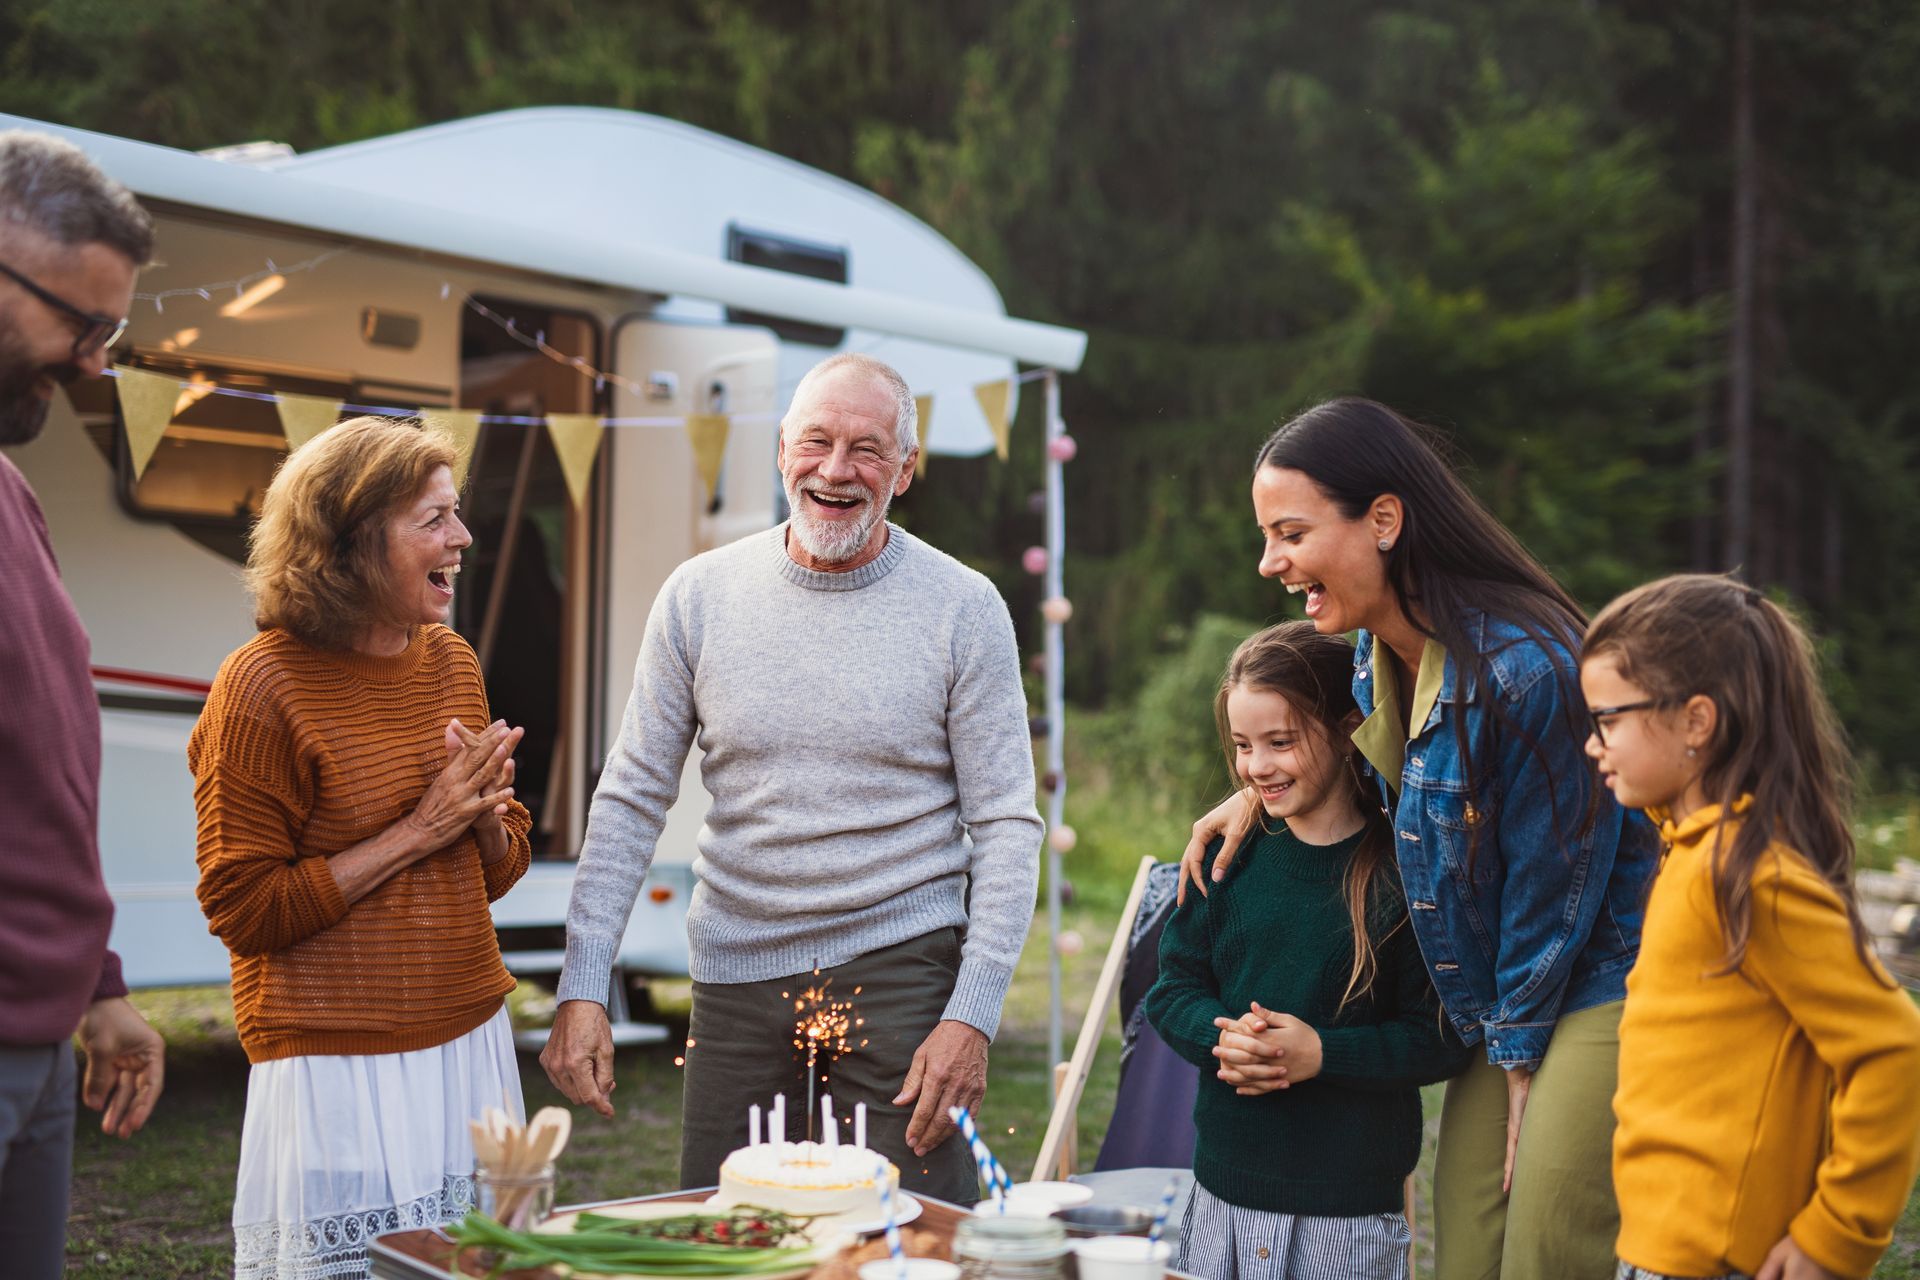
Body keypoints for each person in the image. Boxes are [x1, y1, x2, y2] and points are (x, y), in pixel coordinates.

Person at [1178, 398, 1659, 1279]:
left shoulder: (1529, 667)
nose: (1269, 562)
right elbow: (1348, 762)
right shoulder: (1369, 654)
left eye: (1290, 533)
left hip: (1592, 976)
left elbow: (1558, 892)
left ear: (1385, 521)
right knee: (1468, 1250)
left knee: (1545, 1242)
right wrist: (1247, 798)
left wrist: (1520, 1067)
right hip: (1494, 994)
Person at [543, 353, 1041, 1203]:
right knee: (734, 1224)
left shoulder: (964, 607)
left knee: (909, 1226)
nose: (837, 470)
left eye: (868, 449)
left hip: (900, 963)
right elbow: (630, 796)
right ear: (781, 450)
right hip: (735, 970)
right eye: (816, 441)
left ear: (907, 470)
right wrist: (584, 982)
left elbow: (1006, 823)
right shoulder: (698, 596)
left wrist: (971, 1014)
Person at [188, 417, 532, 1280]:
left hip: (468, 1037)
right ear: (349, 543)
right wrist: (422, 827)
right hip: (336, 1061)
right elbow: (243, 909)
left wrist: (484, 812)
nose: (461, 537)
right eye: (433, 520)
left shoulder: (451, 659)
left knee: (485, 1266)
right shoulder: (260, 685)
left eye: (456, 514)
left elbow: (497, 870)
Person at [1582, 575, 1920, 1280]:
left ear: (1696, 722)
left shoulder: (1748, 875)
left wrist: (1836, 1235)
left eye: (1607, 720)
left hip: (1717, 1262)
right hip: (1658, 1249)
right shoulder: (1694, 851)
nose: (1592, 745)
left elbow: (1893, 1050)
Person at [1148, 622, 1468, 1280]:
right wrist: (1224, 1038)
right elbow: (1171, 990)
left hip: (1346, 1221)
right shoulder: (1226, 858)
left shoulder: (1405, 874)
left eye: (1280, 742)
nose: (1257, 765)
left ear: (1350, 726)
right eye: (1242, 746)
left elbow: (1437, 1036)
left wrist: (1320, 1054)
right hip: (1218, 1201)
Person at [0, 129, 166, 1280]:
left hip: (42, 1037)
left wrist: (98, 984)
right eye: (81, 324)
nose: (98, 364)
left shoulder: (12, 492)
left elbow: (45, 764)